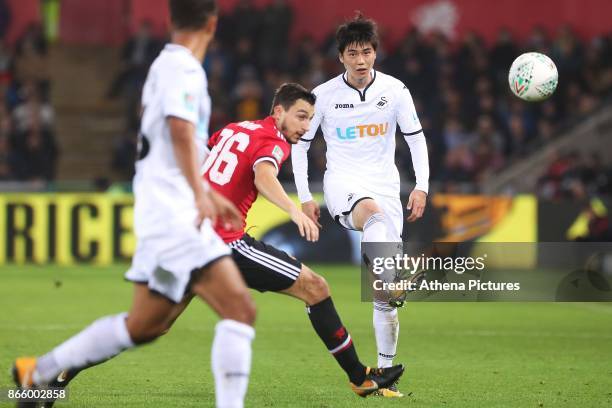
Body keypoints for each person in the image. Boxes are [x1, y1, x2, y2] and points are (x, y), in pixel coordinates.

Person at [12, 2, 257, 408]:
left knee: (145, 324)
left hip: (164, 208)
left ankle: (37, 373)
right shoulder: (185, 69)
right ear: (212, 24)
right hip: (176, 214)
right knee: (240, 310)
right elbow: (180, 129)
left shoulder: (163, 64)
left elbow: (171, 141)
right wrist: (199, 192)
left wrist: (203, 190)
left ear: (169, 20)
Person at [202, 82, 405, 397]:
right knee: (316, 287)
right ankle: (360, 377)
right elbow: (264, 175)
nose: (306, 126)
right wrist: (294, 211)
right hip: (223, 242)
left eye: (310, 119)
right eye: (300, 117)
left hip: (188, 237)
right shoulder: (274, 140)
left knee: (151, 325)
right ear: (278, 111)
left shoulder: (234, 129)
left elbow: (204, 156)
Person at [291, 14, 430, 398]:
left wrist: (421, 186)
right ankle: (388, 278)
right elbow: (299, 147)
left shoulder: (396, 90)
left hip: (387, 185)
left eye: (367, 51)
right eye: (353, 53)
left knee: (386, 300)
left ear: (375, 52)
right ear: (341, 57)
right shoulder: (323, 97)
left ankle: (385, 376)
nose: (361, 59)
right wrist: (305, 197)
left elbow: (415, 140)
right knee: (374, 216)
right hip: (344, 184)